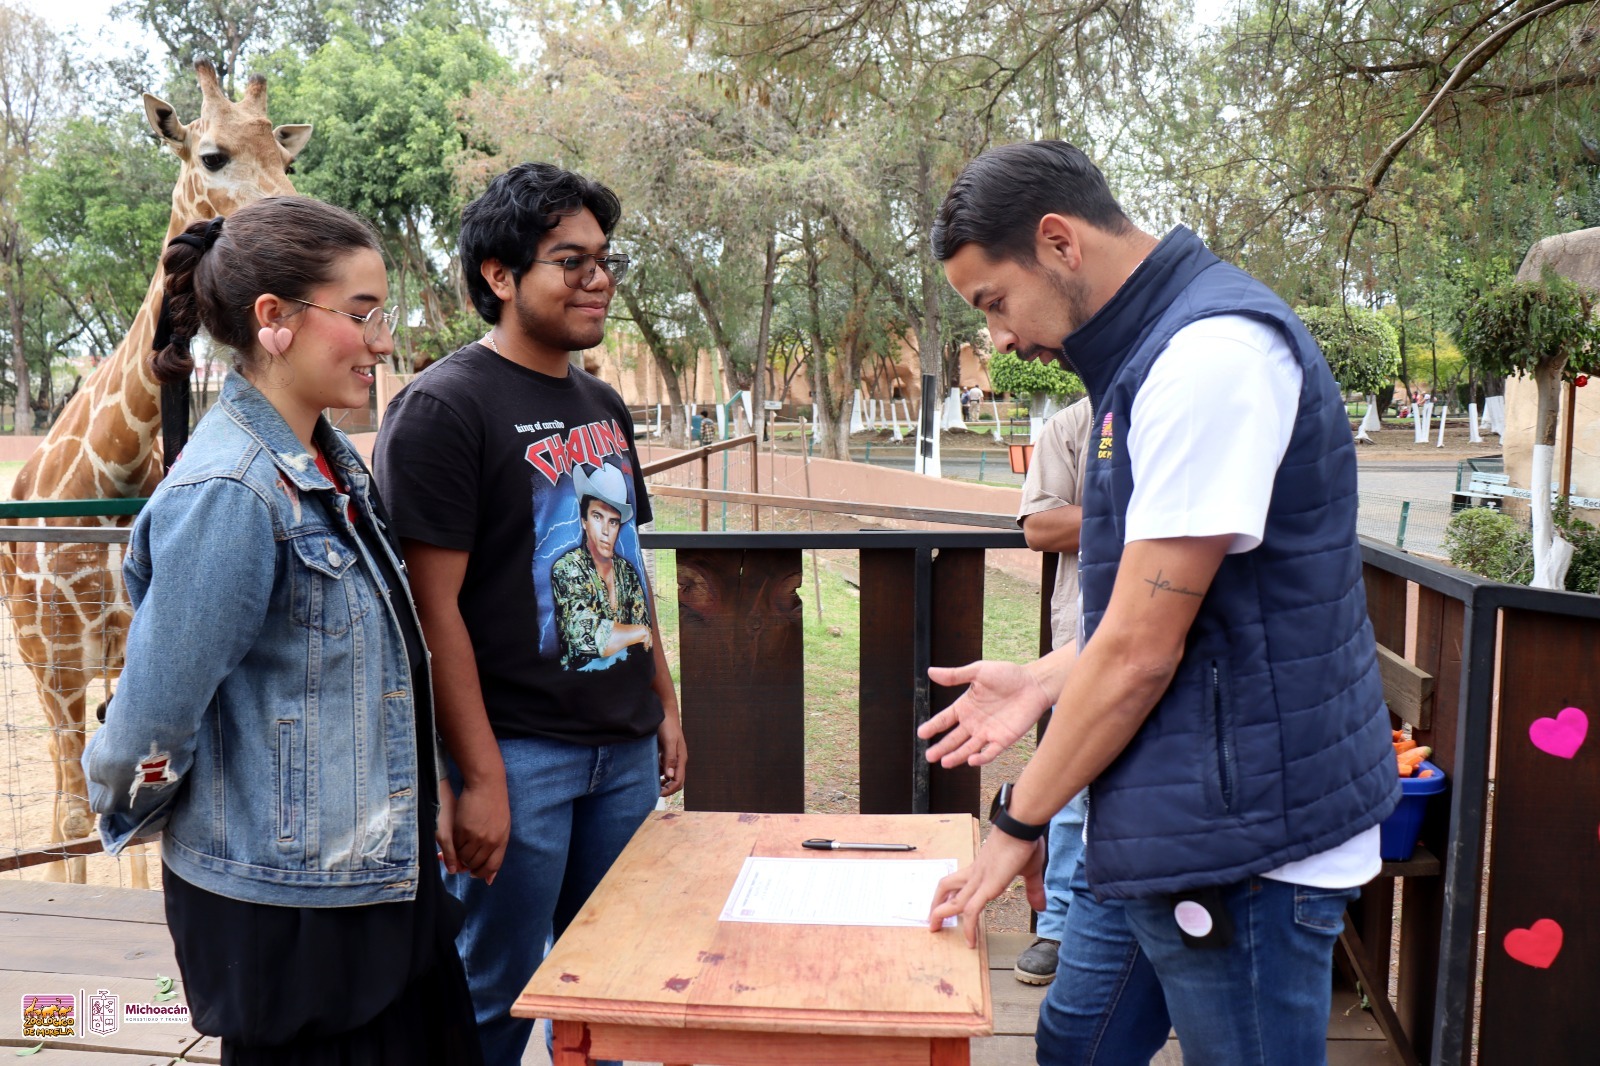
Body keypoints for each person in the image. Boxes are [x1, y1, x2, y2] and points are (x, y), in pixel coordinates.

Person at [920, 141, 1399, 1065]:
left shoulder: (1211, 358)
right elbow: (1182, 614)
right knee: (1077, 1045)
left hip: (1247, 843)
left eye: (993, 302)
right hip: (1164, 814)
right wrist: (1044, 679)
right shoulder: (1143, 359)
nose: (1000, 339)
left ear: (1059, 242)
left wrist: (1016, 824)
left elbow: (1142, 650)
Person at [82, 196, 480, 1065]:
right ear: (274, 319)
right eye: (361, 314)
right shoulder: (233, 494)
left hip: (372, 887)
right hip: (295, 918)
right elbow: (146, 731)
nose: (383, 341)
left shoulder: (329, 466)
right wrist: (215, 825)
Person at [373, 162, 687, 1066]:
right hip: (517, 755)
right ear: (499, 276)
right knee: (493, 996)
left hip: (623, 751)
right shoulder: (444, 407)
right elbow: (431, 613)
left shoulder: (602, 404)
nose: (599, 279)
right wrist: (478, 779)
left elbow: (630, 569)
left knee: (608, 992)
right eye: (570, 260)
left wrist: (664, 704)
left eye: (605, 259)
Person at [1011, 397, 1093, 986]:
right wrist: (1148, 511)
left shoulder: (1190, 400)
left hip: (1191, 649)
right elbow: (1040, 526)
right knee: (1071, 790)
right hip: (1082, 648)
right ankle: (1058, 926)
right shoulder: (1074, 424)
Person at [552, 463, 653, 670]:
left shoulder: (627, 572)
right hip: (576, 682)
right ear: (584, 521)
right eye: (598, 517)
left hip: (626, 682)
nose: (606, 530)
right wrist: (639, 632)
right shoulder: (567, 567)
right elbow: (588, 635)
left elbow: (646, 642)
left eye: (613, 522)